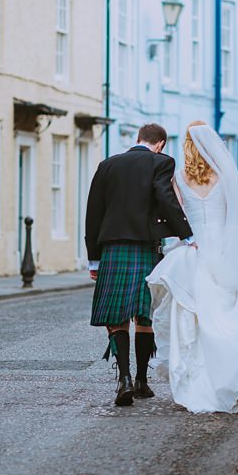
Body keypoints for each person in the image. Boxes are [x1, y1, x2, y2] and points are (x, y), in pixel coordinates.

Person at [146, 122, 238, 414]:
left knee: (194, 318)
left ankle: (197, 383)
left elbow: (177, 215)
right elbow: (237, 218)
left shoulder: (178, 179)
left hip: (194, 250)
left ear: (187, 146)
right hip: (225, 249)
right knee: (229, 313)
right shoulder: (224, 177)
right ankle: (224, 379)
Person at [86, 124, 194, 407]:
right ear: (160, 144)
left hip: (112, 249)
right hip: (146, 247)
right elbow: (165, 197)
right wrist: (186, 233)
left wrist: (93, 257)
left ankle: (123, 378)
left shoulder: (107, 165)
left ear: (138, 140)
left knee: (117, 314)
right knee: (144, 315)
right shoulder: (161, 162)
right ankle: (142, 381)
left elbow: (93, 212)